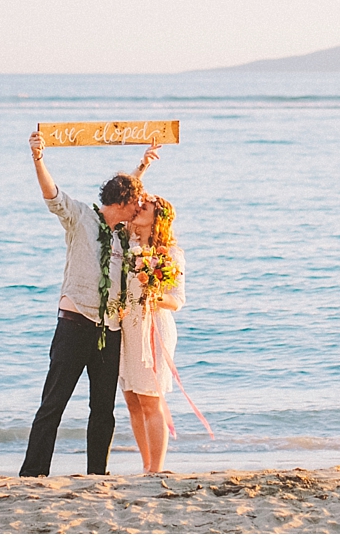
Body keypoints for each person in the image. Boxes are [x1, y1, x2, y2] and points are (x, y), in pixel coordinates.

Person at [18, 130, 160, 477]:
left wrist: (142, 166)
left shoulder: (122, 234)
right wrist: (38, 159)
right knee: (53, 405)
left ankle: (98, 473)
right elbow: (52, 195)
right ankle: (34, 473)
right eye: (135, 202)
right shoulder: (81, 217)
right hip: (74, 325)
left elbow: (130, 191)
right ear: (124, 203)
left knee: (103, 409)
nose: (138, 208)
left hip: (109, 331)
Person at [119, 193, 186, 473]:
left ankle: (156, 469)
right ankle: (146, 464)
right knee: (132, 399)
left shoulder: (170, 254)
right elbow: (120, 207)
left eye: (143, 207)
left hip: (154, 328)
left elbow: (177, 301)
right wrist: (143, 165)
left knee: (150, 399)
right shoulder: (127, 244)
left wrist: (153, 295)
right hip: (127, 330)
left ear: (156, 218)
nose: (137, 209)